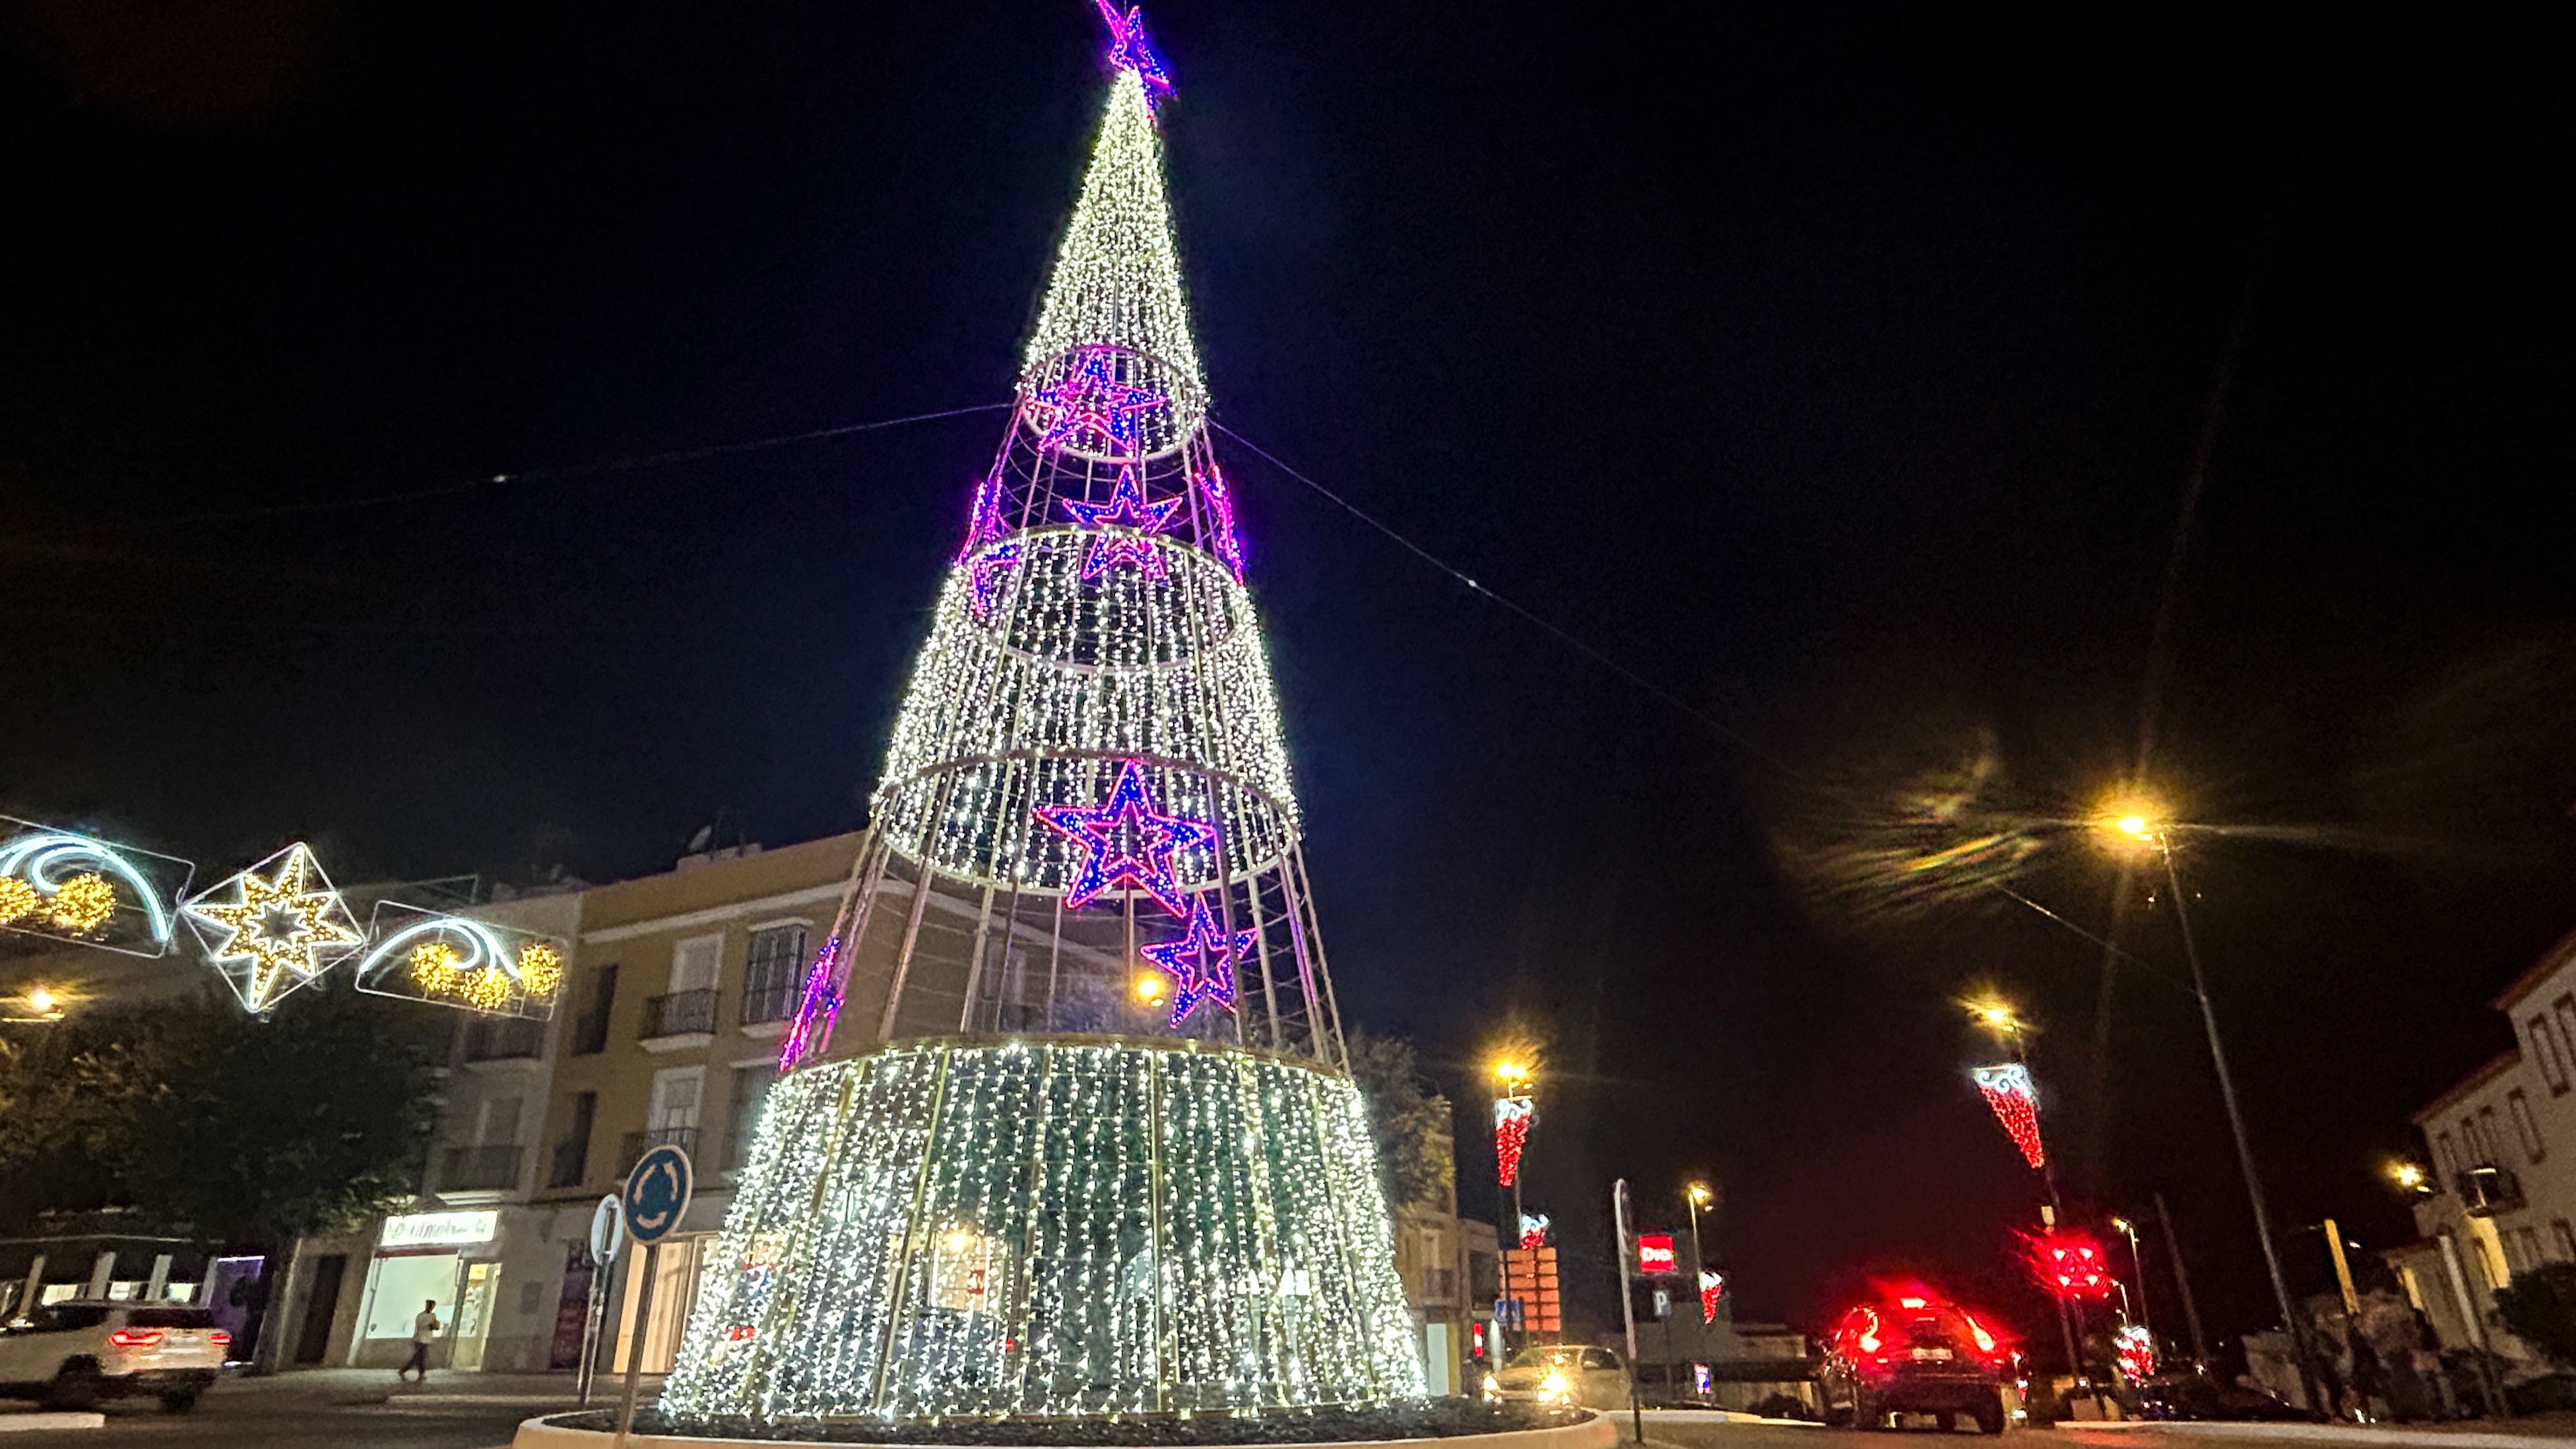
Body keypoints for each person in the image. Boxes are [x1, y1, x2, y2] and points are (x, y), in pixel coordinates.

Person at [397, 1299, 440, 1382]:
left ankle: (418, 1373)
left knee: (420, 1358)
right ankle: (407, 1371)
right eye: (430, 1306)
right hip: (420, 1339)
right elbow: (426, 1327)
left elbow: (436, 1327)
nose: (431, 1308)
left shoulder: (432, 1316)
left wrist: (436, 1324)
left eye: (432, 1306)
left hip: (426, 1339)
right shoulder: (421, 1316)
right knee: (419, 1357)